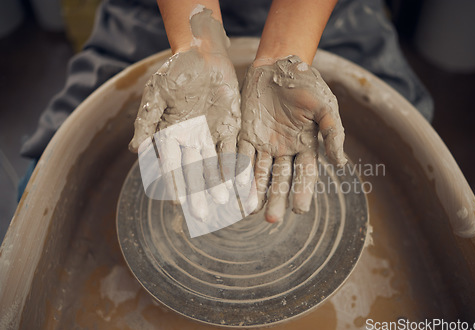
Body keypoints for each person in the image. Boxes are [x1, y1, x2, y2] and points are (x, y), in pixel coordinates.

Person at [19, 0, 433, 222]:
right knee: (42, 177)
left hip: (320, 10)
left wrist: (286, 53)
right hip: (158, 9)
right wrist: (199, 40)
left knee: (420, 155)